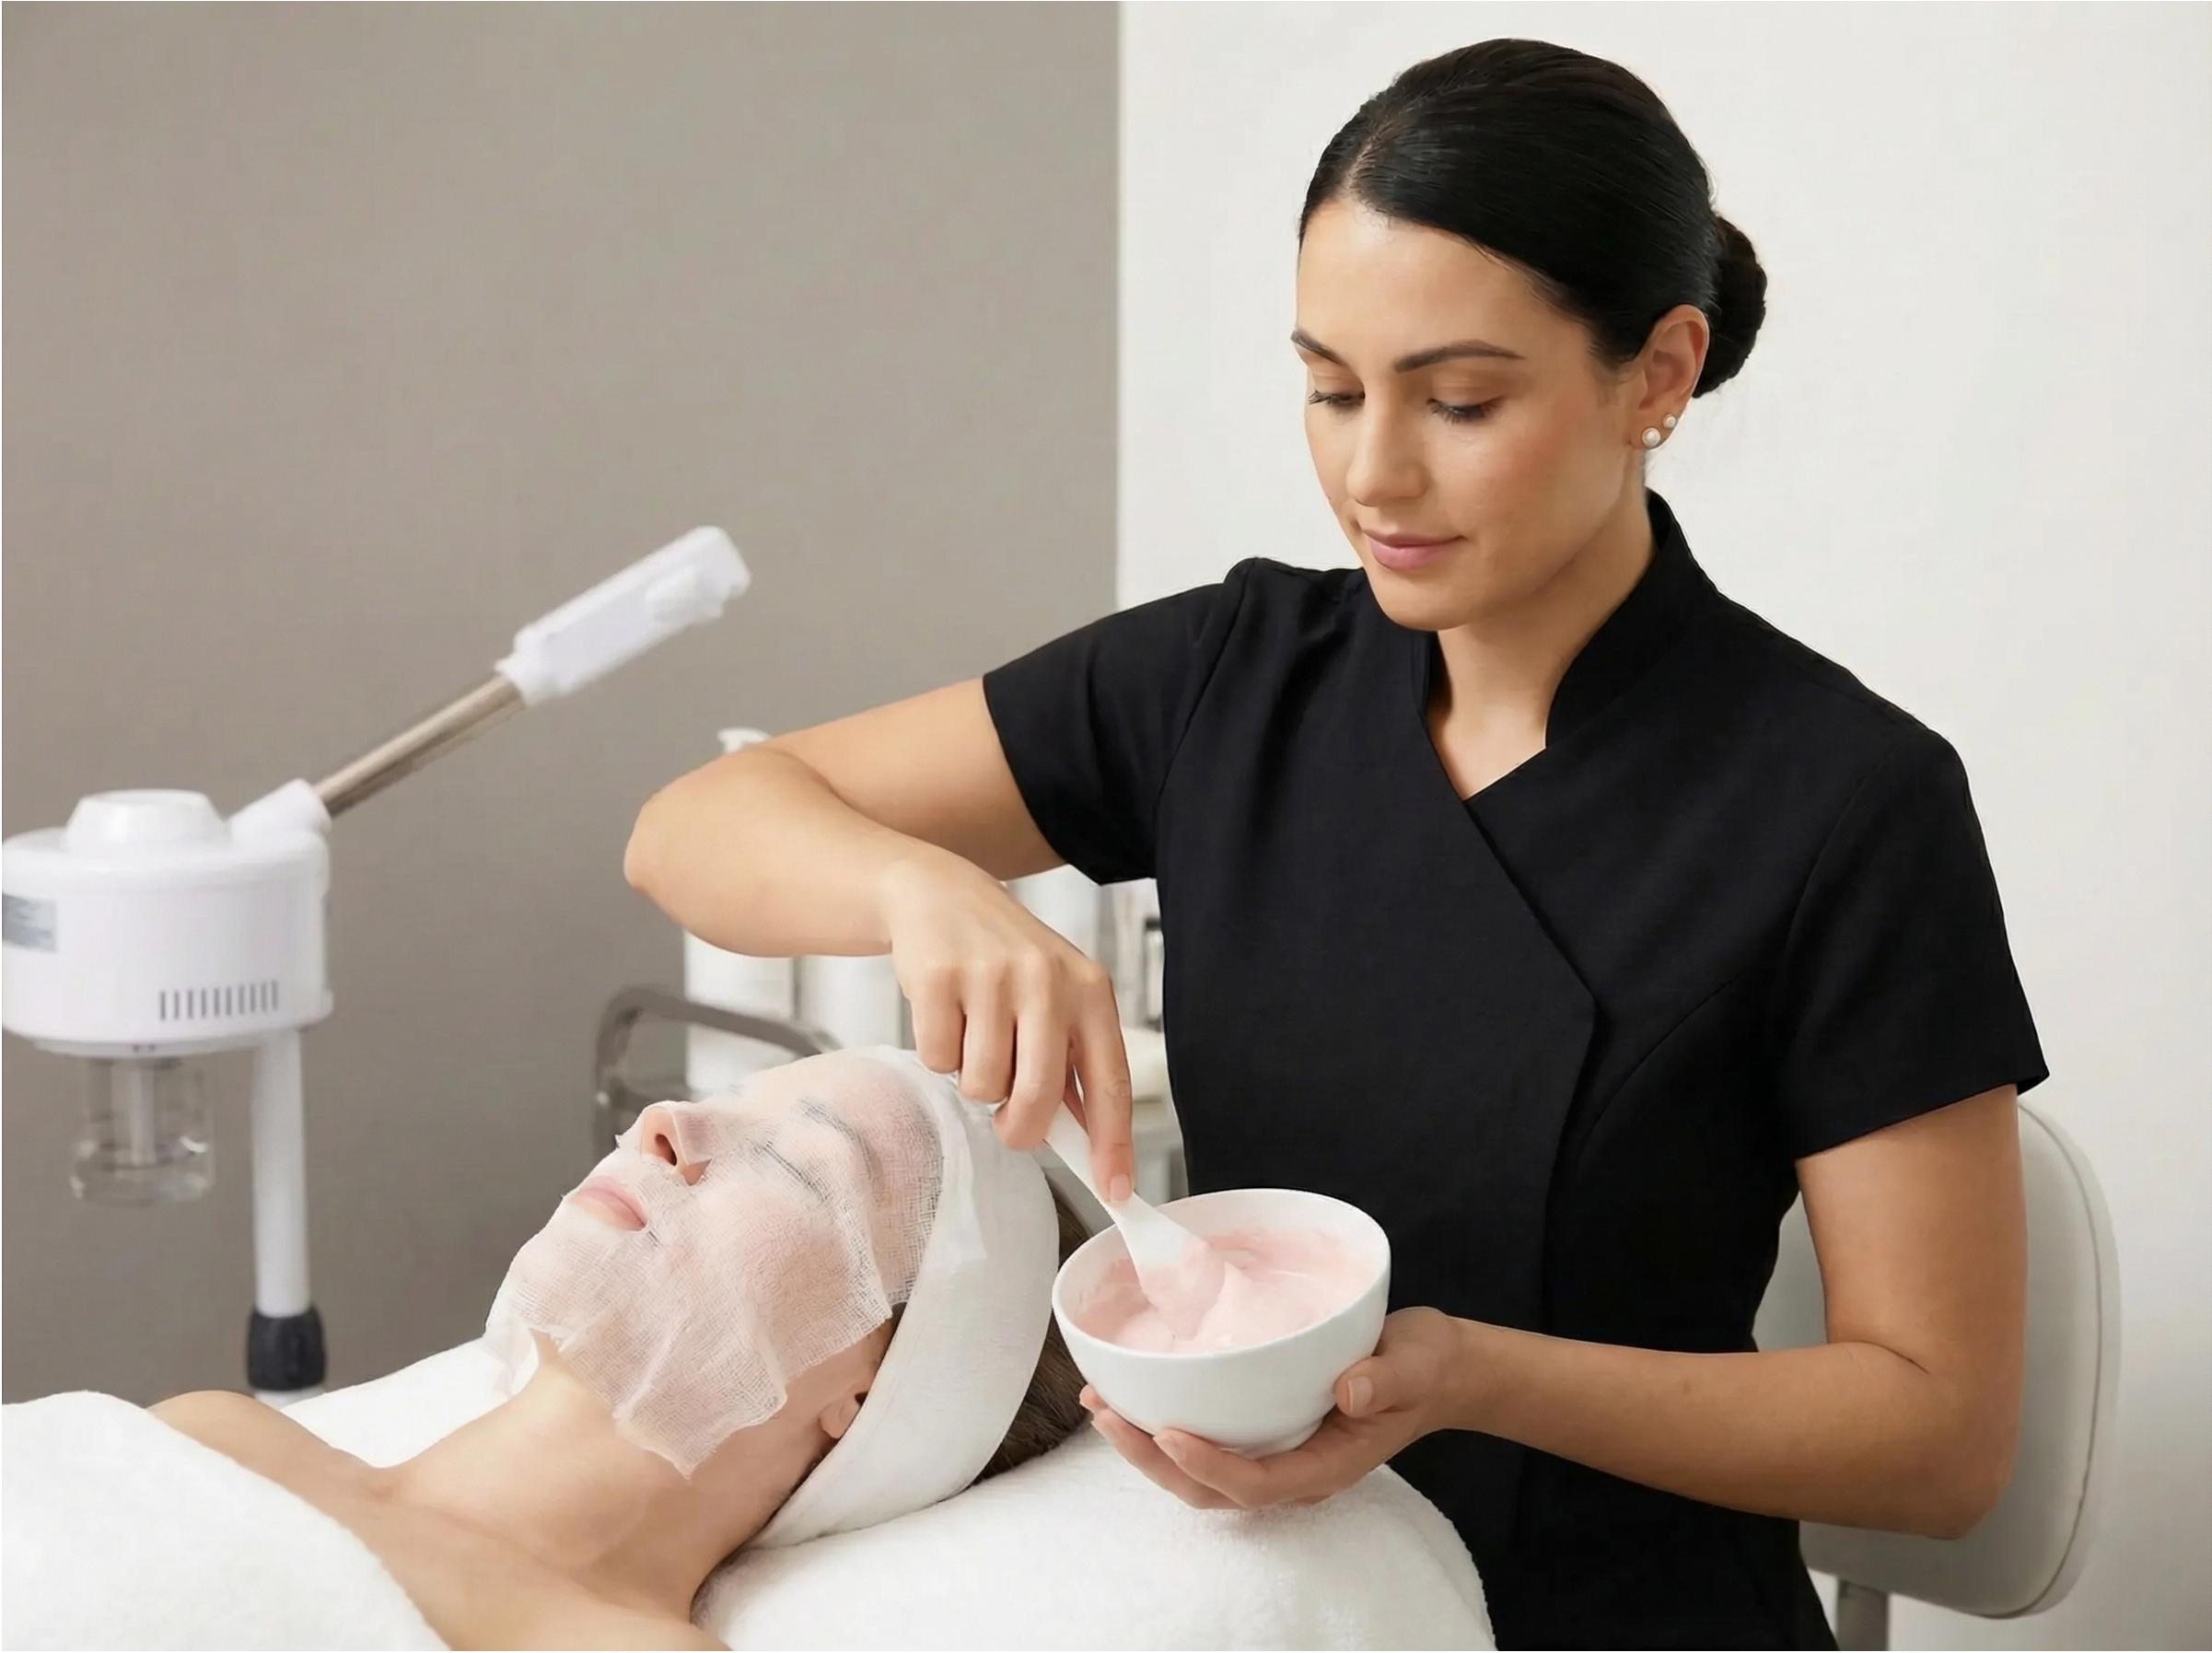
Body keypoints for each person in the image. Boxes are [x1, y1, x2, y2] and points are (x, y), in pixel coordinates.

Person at [623, 38, 2046, 1652]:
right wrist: (923, 889)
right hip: (1260, 1599)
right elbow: (694, 827)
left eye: (1458, 401)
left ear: (1655, 374)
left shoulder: (1840, 799)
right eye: (1327, 387)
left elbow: (1938, 1438)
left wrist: (1464, 1379)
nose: (1370, 475)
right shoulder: (1234, 680)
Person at [153, 1051, 1089, 1651]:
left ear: (874, 1395)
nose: (665, 1127)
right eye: (722, 1100)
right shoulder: (210, 1443)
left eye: (801, 1168)